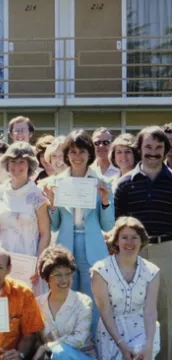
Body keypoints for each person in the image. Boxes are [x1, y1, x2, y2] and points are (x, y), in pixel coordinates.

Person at [115, 126, 172, 360]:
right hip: (132, 254)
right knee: (132, 313)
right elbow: (117, 222)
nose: (153, 153)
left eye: (158, 148)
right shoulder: (125, 184)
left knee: (165, 316)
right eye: (148, 147)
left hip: (165, 251)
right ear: (140, 149)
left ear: (165, 150)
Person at [42, 130, 113, 304]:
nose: (77, 156)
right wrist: (52, 203)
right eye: (72, 152)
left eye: (82, 151)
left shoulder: (102, 182)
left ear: (90, 153)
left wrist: (104, 201)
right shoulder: (56, 183)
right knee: (66, 299)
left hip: (93, 247)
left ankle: (93, 332)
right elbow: (55, 226)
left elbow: (108, 225)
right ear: (66, 155)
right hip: (66, 245)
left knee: (94, 300)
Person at [91, 216, 161, 360]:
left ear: (141, 240)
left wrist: (149, 345)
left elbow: (150, 311)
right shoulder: (100, 270)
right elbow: (105, 311)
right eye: (124, 237)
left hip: (143, 329)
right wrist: (122, 345)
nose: (129, 242)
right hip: (112, 333)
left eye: (134, 237)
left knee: (142, 357)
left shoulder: (152, 271)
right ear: (116, 241)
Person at [0, 141, 51, 295]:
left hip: (28, 261)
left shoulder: (37, 194)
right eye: (12, 162)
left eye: (22, 162)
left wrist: (38, 262)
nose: (17, 167)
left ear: (29, 165)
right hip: (3, 261)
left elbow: (45, 233)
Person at [33, 246, 101, 360]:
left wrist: (47, 347)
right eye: (57, 274)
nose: (64, 280)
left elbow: (79, 340)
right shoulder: (37, 303)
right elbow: (35, 338)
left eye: (68, 273)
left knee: (61, 352)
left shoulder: (83, 302)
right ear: (46, 278)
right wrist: (43, 351)